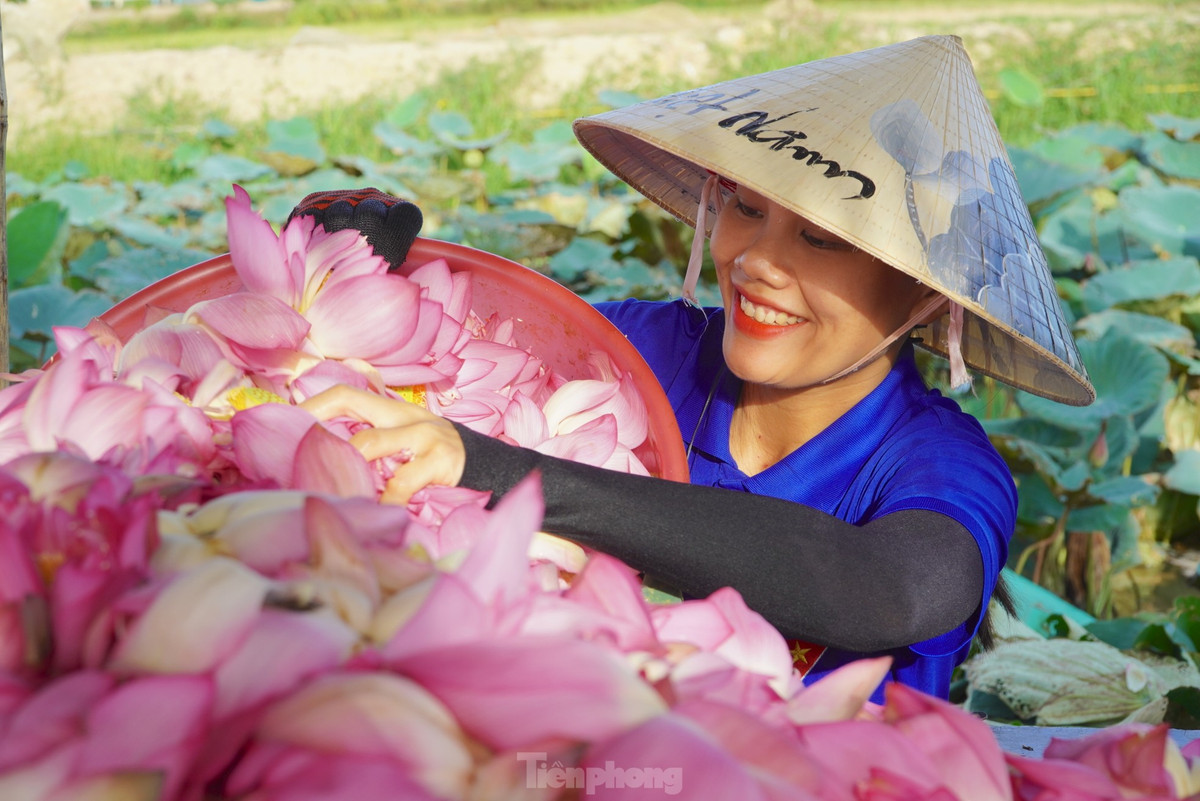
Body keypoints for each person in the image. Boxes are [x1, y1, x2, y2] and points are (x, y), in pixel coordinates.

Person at [295, 35, 1095, 701]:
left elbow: (888, 587)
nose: (754, 263)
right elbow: (445, 331)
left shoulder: (941, 465)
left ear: (926, 295)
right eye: (746, 207)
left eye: (821, 239)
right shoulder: (638, 353)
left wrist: (498, 469)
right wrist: (345, 251)